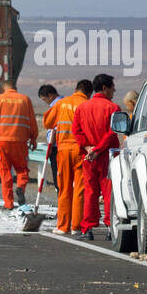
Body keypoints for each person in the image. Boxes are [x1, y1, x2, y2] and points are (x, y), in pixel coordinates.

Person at [71, 73, 120, 240]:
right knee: (108, 192)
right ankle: (109, 228)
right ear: (105, 88)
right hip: (106, 156)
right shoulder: (113, 108)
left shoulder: (82, 108)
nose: (114, 90)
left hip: (89, 157)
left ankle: (87, 229)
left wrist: (89, 148)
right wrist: (99, 149)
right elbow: (113, 133)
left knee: (90, 192)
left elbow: (76, 131)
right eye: (112, 87)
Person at [0, 80, 37, 209]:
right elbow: (32, 120)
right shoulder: (25, 99)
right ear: (15, 88)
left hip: (3, 142)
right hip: (21, 141)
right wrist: (33, 138)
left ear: (3, 89)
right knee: (22, 169)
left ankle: (9, 204)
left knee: (5, 172)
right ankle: (21, 188)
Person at [49, 79, 92, 234]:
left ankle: (63, 226)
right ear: (89, 93)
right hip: (81, 151)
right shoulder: (88, 105)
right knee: (80, 189)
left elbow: (48, 122)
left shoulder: (62, 103)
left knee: (64, 188)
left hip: (64, 150)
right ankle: (77, 227)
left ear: (76, 89)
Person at [37, 84, 60, 189]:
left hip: (57, 146)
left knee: (58, 176)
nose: (45, 102)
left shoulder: (56, 106)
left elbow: (54, 128)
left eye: (44, 99)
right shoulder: (66, 102)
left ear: (50, 95)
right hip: (65, 145)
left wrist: (50, 147)